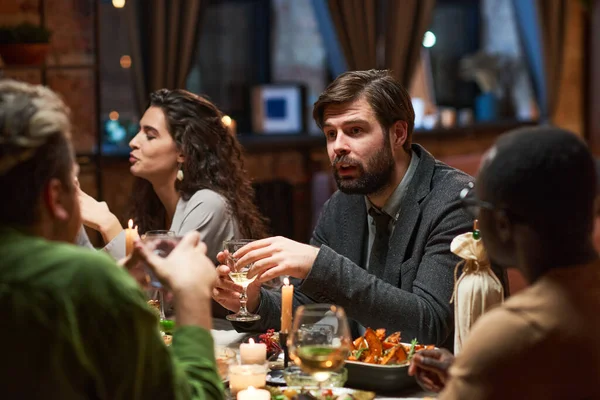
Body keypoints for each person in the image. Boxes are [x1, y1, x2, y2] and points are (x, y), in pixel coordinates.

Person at [213, 70, 500, 347]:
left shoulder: (454, 202)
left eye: (355, 130)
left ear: (398, 134)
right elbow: (307, 311)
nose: (338, 147)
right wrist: (253, 301)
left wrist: (320, 265)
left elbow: (429, 326)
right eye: (330, 134)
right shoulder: (341, 206)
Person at [0, 80, 224, 399]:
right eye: (71, 178)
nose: (133, 142)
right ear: (54, 197)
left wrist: (117, 276)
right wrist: (191, 291)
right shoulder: (85, 279)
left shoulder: (204, 202)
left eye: (149, 134)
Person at [409, 127, 600, 399]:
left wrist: (481, 365)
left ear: (502, 224)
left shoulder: (510, 333)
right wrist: (478, 375)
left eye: (477, 206)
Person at [77, 88, 268, 263]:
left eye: (150, 136)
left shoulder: (208, 204)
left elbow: (159, 290)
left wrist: (108, 224)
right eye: (138, 131)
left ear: (183, 152)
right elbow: (104, 278)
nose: (133, 142)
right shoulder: (154, 206)